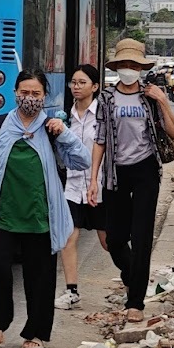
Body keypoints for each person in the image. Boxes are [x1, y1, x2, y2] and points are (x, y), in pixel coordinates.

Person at [0, 69, 90, 348]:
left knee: (40, 277)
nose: (30, 98)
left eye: (36, 93)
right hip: (3, 214)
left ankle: (37, 332)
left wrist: (65, 134)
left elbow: (83, 161)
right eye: (25, 92)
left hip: (40, 216)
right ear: (15, 93)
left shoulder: (52, 129)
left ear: (45, 97)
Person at [87, 38, 174, 322]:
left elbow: (173, 133)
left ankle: (135, 302)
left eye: (134, 65)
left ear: (141, 68)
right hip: (115, 174)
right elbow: (100, 140)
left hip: (146, 172)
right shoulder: (106, 99)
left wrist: (163, 100)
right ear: (117, 67)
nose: (129, 69)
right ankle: (132, 274)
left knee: (141, 238)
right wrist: (93, 179)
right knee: (114, 239)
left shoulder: (150, 97)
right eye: (124, 64)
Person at [54, 63, 108, 310]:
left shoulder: (104, 115)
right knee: (68, 238)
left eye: (82, 82)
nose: (76, 87)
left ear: (95, 87)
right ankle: (71, 291)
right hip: (74, 187)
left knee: (109, 241)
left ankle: (131, 285)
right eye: (73, 82)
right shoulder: (65, 117)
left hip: (100, 187)